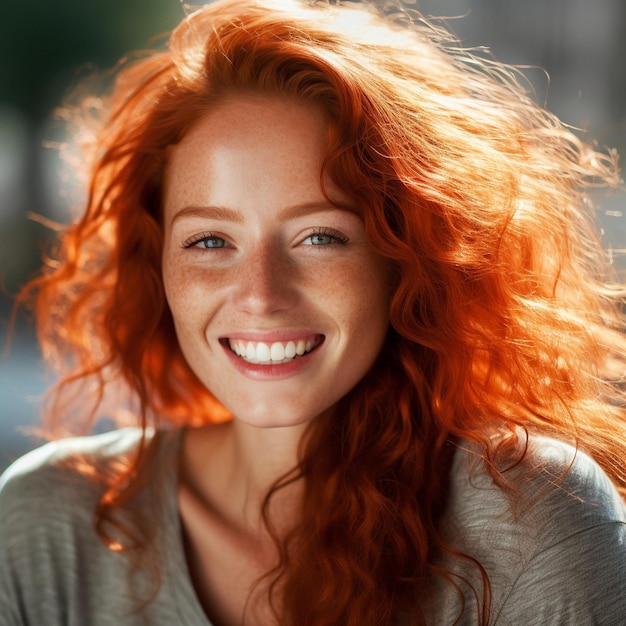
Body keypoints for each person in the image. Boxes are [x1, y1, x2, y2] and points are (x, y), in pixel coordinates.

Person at [1, 0, 626, 624]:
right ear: (157, 261)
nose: (261, 294)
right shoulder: (47, 526)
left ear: (407, 255)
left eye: (319, 237)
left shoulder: (535, 521)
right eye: (210, 241)